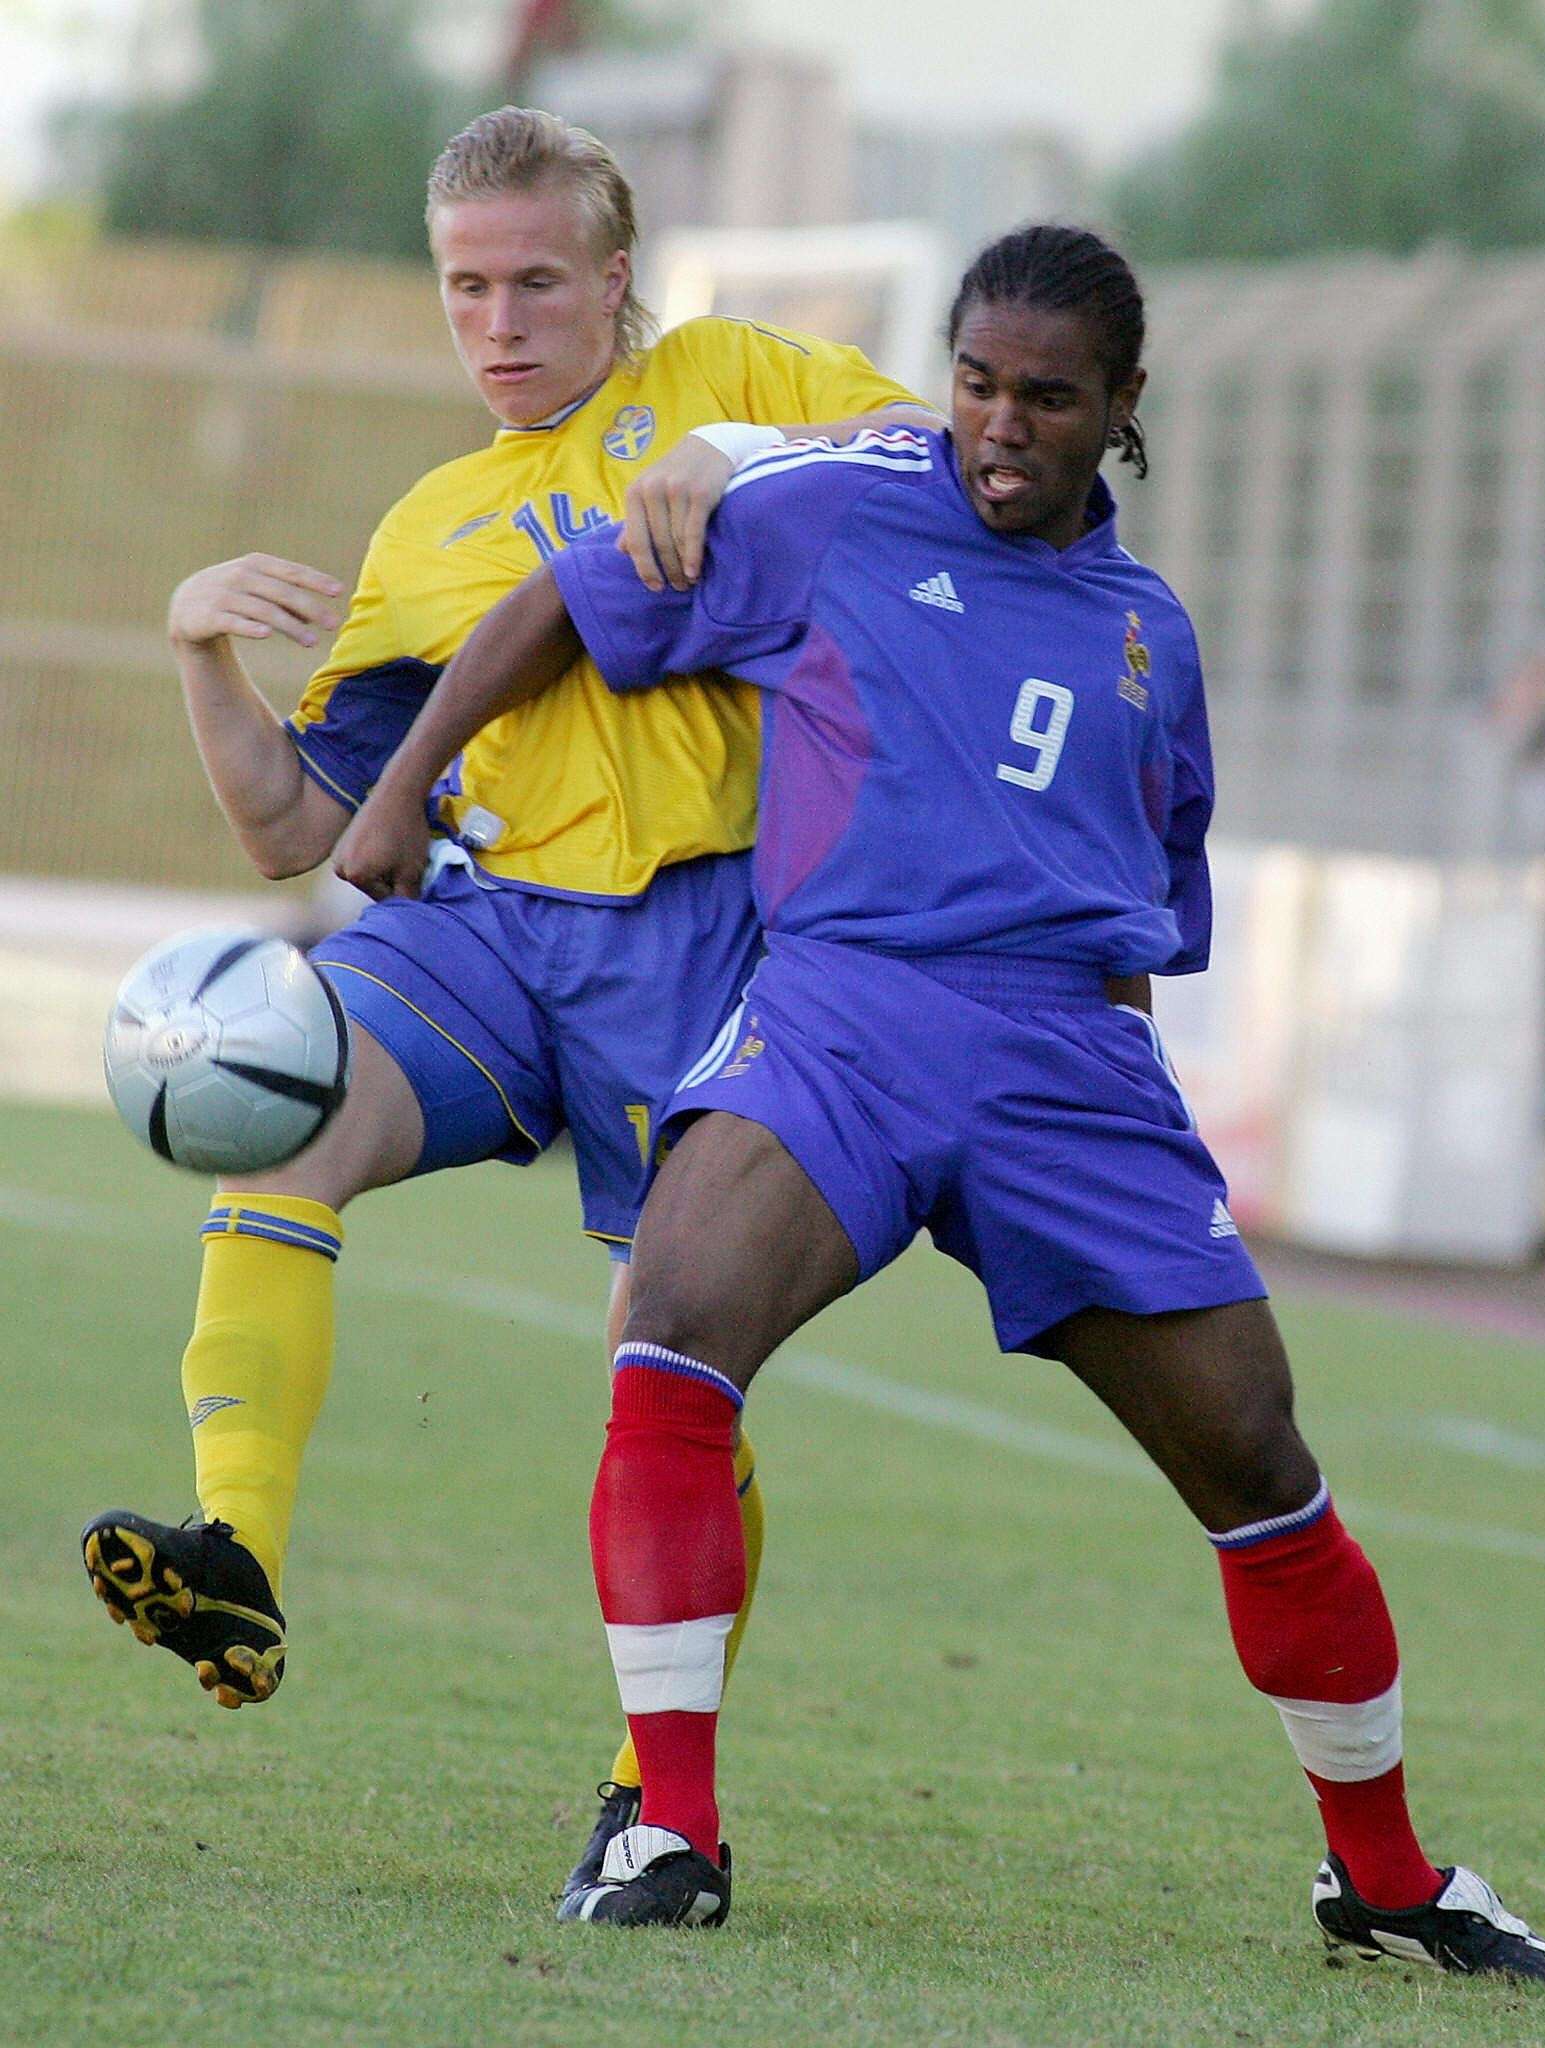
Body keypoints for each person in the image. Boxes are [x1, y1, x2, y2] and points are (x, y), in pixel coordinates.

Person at [325, 226, 1545, 1982]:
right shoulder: (825, 508)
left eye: (1046, 399)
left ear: (1121, 409)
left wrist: (1135, 1136)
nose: (1000, 427)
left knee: (1258, 1462)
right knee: (673, 1329)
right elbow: (562, 606)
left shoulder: (1152, 634)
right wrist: (398, 795)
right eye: (977, 383)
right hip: (845, 1011)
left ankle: (1381, 1874)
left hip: (1070, 1061)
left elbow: (1142, 918)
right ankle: (668, 1822)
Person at [79, 106, 933, 1895]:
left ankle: (652, 1781)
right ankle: (236, 1558)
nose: (499, 318)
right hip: (491, 932)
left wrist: (731, 446)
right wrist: (195, 649)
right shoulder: (431, 528)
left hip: (714, 944)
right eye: (466, 284)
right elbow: (297, 830)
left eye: (537, 278)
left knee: (670, 1354)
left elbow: (939, 450)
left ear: (617, 281)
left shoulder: (743, 364)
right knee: (282, 1113)